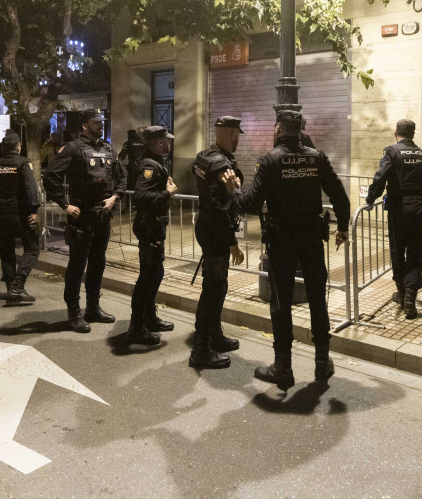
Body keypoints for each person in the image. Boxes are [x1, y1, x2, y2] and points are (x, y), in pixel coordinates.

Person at [231, 110, 351, 390]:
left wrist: (234, 190)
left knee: (281, 302)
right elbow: (339, 194)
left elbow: (250, 203)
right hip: (311, 238)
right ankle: (322, 362)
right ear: (300, 130)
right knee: (317, 297)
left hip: (282, 239)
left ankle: (283, 366)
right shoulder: (316, 157)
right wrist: (342, 226)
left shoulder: (270, 160)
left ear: (278, 129)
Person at [42, 109, 126, 333]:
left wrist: (114, 197)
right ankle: (74, 312)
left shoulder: (107, 149)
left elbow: (122, 178)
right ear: (84, 125)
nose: (101, 125)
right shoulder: (72, 148)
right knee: (77, 265)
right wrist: (64, 204)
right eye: (95, 122)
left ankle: (93, 307)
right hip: (82, 217)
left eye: (102, 122)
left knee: (98, 262)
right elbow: (50, 175)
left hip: (103, 216)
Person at [189, 116, 246, 369]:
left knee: (216, 287)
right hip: (216, 233)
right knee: (213, 290)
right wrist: (232, 240)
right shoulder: (222, 165)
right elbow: (220, 208)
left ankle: (215, 336)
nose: (237, 140)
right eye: (237, 135)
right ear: (231, 134)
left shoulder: (205, 156)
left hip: (207, 228)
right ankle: (201, 350)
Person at [365, 119, 422, 320]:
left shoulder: (392, 151)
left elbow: (381, 177)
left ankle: (402, 293)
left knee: (398, 251)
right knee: (416, 253)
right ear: (413, 133)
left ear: (395, 132)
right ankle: (411, 300)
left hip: (400, 209)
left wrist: (371, 198)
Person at [0, 132, 41, 306]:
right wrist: (34, 209)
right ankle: (18, 285)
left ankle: (12, 289)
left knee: (7, 252)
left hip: (2, 214)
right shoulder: (22, 163)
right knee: (32, 249)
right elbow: (30, 188)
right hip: (22, 213)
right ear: (18, 146)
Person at [126, 126, 178, 347]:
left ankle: (149, 318)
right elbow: (141, 195)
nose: (169, 144)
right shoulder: (149, 165)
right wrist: (168, 193)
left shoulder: (154, 161)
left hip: (154, 226)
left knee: (155, 273)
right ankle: (137, 327)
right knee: (148, 277)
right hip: (149, 227)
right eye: (167, 141)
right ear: (159, 143)